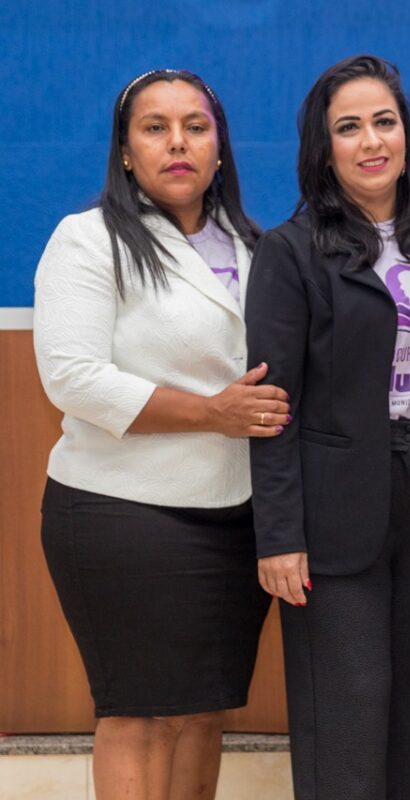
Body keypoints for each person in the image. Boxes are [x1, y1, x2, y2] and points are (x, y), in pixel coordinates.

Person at [33, 69, 281, 800]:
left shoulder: (258, 245)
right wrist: (213, 412)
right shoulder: (87, 239)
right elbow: (73, 378)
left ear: (221, 149)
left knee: (203, 714)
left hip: (237, 515)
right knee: (140, 715)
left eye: (196, 127)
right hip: (124, 511)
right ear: (125, 152)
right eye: (155, 128)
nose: (178, 143)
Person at [245, 54, 410, 800]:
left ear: (406, 135)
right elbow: (269, 405)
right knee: (347, 711)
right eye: (350, 127)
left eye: (385, 121)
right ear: (324, 148)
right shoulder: (291, 252)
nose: (372, 141)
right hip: (335, 507)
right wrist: (279, 533)